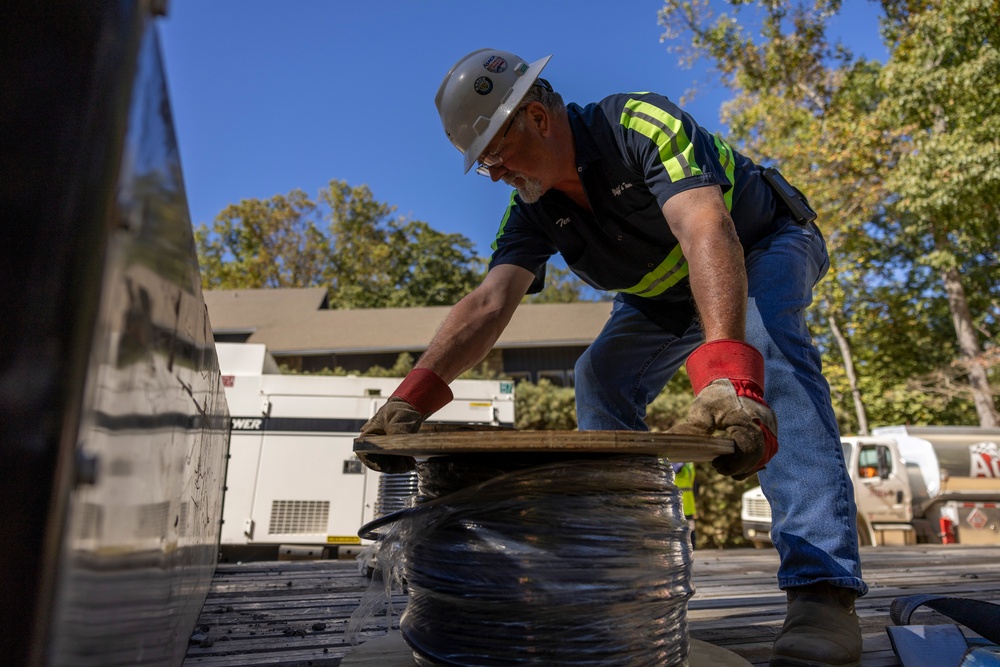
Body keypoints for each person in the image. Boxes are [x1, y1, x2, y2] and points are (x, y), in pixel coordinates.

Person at [360, 48, 868, 667]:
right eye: (482, 163)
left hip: (759, 243)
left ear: (537, 118)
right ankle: (627, 571)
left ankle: (822, 591)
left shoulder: (640, 126)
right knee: (599, 376)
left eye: (494, 150)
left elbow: (707, 229)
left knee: (767, 349)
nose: (493, 172)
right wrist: (409, 399)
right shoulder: (534, 209)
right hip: (662, 294)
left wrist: (731, 378)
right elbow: (491, 301)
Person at [672, 461, 697, 547]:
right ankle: (691, 547)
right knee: (690, 528)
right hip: (688, 502)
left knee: (680, 528)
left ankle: (686, 548)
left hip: (677, 501)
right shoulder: (690, 465)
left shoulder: (679, 465)